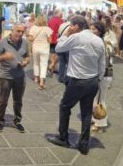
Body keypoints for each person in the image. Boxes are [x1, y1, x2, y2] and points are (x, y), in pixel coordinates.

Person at [46, 16, 105, 155]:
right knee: (86, 113)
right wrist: (99, 80)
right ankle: (84, 144)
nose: (69, 27)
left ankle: (63, 137)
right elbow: (102, 64)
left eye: (71, 25)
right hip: (93, 80)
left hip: (77, 80)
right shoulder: (99, 41)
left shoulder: (77, 37)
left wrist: (66, 34)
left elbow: (59, 48)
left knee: (64, 106)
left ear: (77, 26)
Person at [0, 23, 30, 133]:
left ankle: (17, 121)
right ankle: (0, 120)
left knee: (18, 101)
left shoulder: (24, 42)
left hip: (20, 77)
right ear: (12, 30)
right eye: (18, 31)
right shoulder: (3, 42)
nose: (20, 34)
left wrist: (26, 62)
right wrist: (4, 57)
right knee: (3, 100)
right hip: (5, 76)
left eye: (22, 32)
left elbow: (28, 56)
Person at [90, 22, 112, 132]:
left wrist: (99, 77)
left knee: (99, 99)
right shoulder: (104, 43)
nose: (91, 31)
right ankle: (95, 119)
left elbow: (102, 62)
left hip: (102, 75)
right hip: (105, 74)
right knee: (97, 98)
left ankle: (99, 122)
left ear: (99, 31)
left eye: (93, 29)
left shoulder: (100, 43)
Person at [28, 14, 52, 89]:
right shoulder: (47, 29)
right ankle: (41, 82)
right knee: (44, 64)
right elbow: (50, 40)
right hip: (44, 48)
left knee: (36, 63)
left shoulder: (33, 28)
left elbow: (30, 39)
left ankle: (36, 78)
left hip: (35, 48)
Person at [48, 9, 64, 75]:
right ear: (59, 14)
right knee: (58, 54)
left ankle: (52, 68)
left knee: (52, 53)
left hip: (50, 38)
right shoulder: (61, 21)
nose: (62, 15)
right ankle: (52, 65)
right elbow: (62, 30)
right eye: (61, 13)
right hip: (57, 39)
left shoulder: (50, 20)